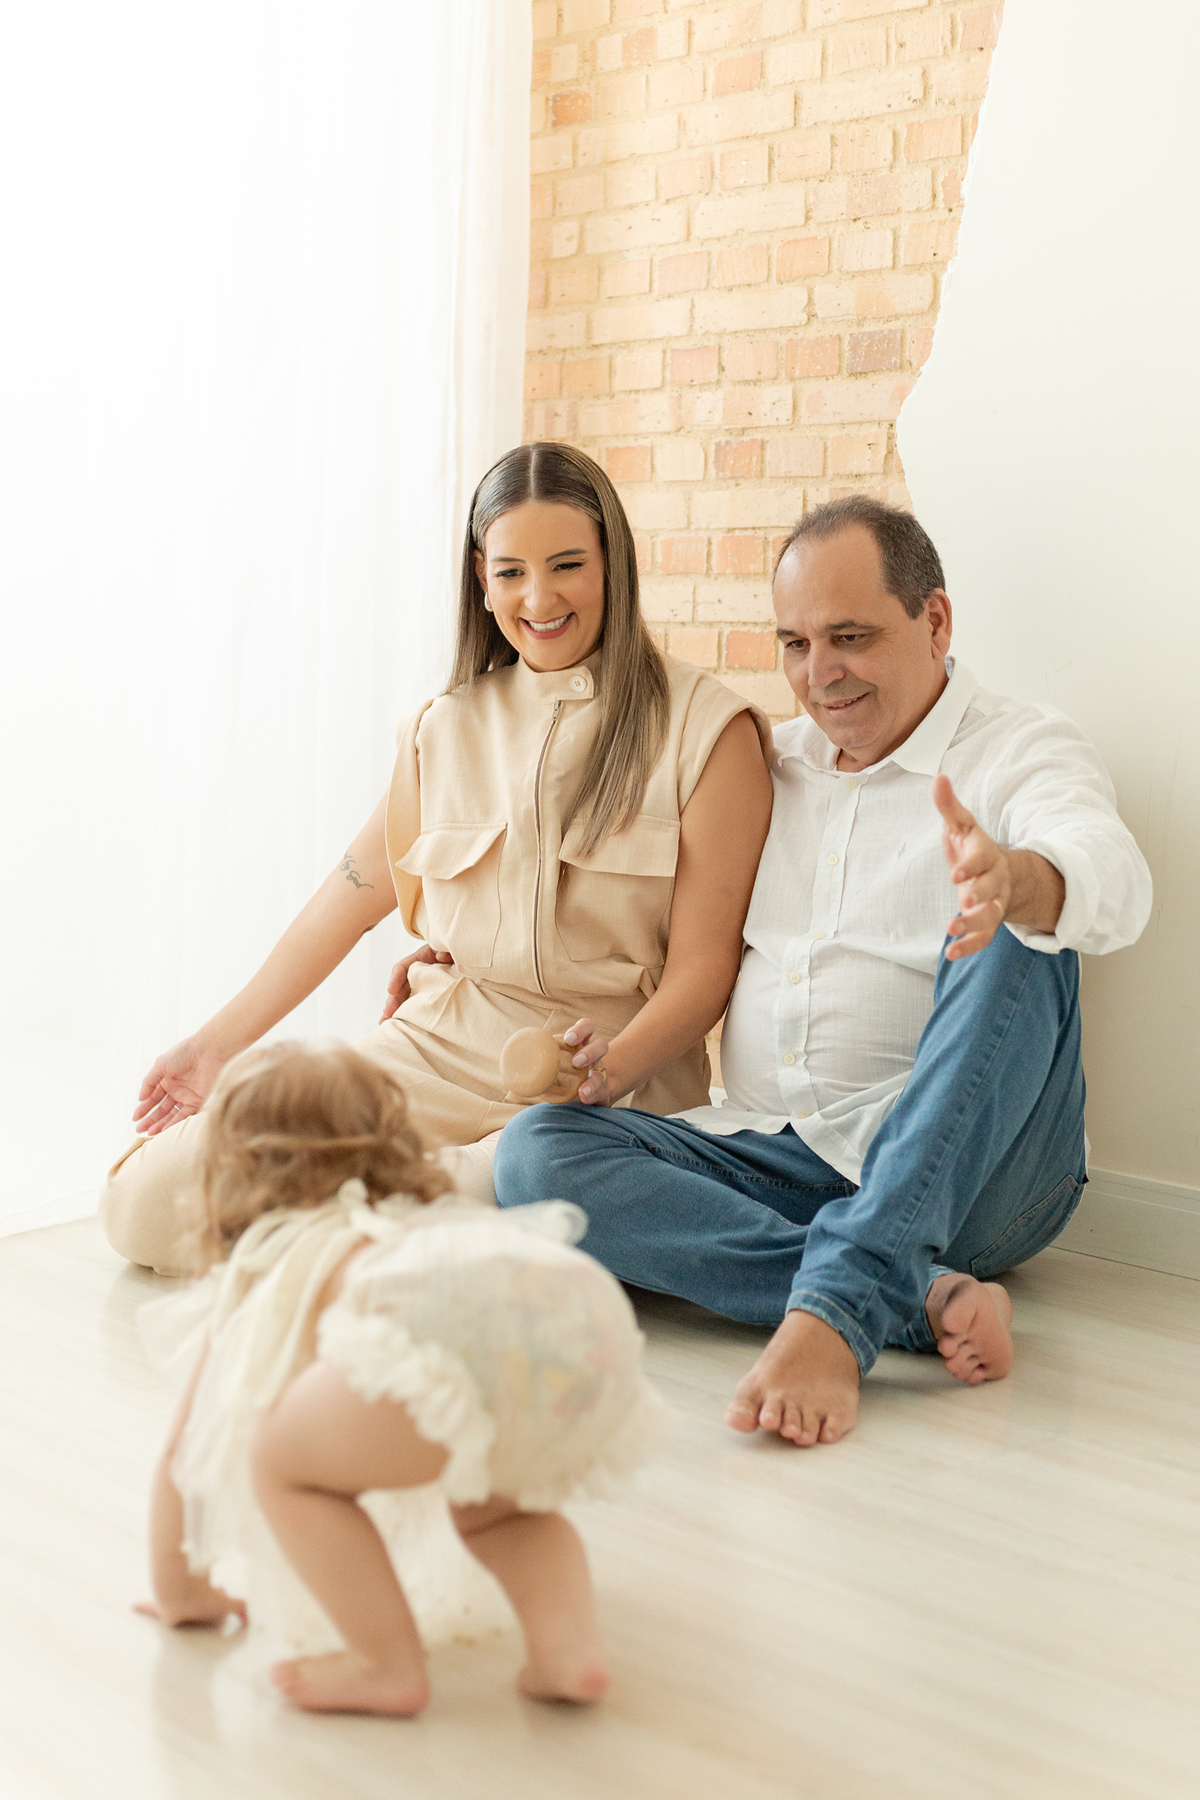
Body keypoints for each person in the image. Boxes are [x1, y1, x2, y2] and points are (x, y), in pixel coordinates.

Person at [494, 495, 1153, 1449]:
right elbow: (638, 904)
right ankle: (913, 1297)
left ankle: (837, 1309)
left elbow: (1112, 876)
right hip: (781, 1156)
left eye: (850, 637)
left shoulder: (1018, 747)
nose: (820, 673)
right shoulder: (766, 764)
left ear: (935, 621)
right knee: (537, 1155)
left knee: (1015, 928)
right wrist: (457, 955)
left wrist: (1019, 880)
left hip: (978, 1175)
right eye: (795, 645)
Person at [101, 442, 773, 1272]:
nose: (540, 598)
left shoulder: (707, 731)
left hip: (605, 1084)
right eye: (512, 572)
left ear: (614, 564)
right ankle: (391, 1227)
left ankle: (414, 1223)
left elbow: (704, 974)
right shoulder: (442, 729)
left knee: (449, 1215)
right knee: (148, 1201)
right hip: (438, 1046)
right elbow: (342, 904)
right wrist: (213, 1048)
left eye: (568, 565)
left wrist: (602, 1076)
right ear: (481, 579)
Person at [136, 1041, 662, 1716]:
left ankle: (383, 1665)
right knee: (502, 1510)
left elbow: (190, 1449)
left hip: (447, 1332)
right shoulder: (415, 1224)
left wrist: (182, 1592)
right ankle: (568, 1653)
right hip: (584, 1329)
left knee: (281, 1462)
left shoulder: (271, 1255)